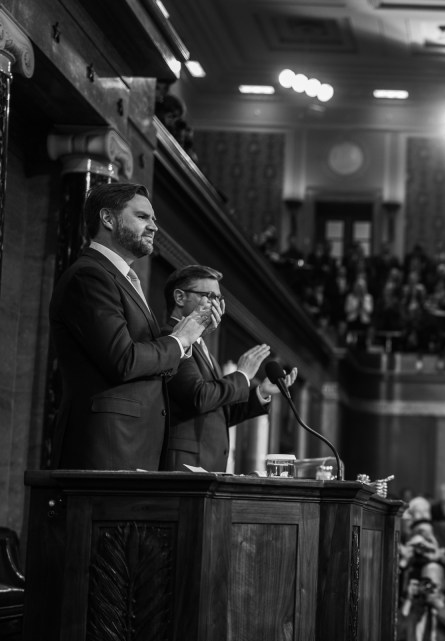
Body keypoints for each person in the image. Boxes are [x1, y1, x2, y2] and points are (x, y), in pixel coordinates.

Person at [48, 183, 208, 470]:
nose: (154, 227)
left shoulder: (125, 279)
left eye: (154, 219)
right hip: (106, 448)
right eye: (143, 217)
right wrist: (178, 340)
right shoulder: (90, 276)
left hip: (133, 447)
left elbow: (149, 370)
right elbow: (124, 360)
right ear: (108, 219)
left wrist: (188, 337)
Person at [161, 265, 296, 472]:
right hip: (184, 467)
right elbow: (198, 397)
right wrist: (241, 375)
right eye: (209, 296)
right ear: (180, 298)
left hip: (206, 466)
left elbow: (218, 411)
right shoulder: (170, 338)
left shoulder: (199, 343)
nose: (216, 305)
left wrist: (260, 393)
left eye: (219, 298)